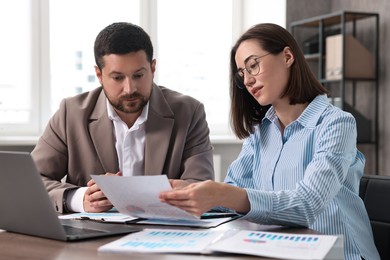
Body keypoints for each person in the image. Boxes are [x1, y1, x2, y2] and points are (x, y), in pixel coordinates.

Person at [159, 23, 380, 260]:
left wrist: (222, 193)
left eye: (253, 65)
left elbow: (307, 205)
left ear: (287, 56)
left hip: (340, 254)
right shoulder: (260, 132)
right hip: (281, 251)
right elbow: (229, 199)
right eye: (242, 73)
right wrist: (188, 193)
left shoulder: (337, 124)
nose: (247, 81)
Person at [31, 22, 214, 214]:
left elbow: (201, 188)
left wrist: (133, 192)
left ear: (153, 68)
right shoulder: (70, 113)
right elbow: (31, 180)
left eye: (138, 75)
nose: (130, 89)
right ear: (99, 75)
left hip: (164, 235)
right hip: (90, 237)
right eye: (118, 78)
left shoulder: (190, 112)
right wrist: (80, 198)